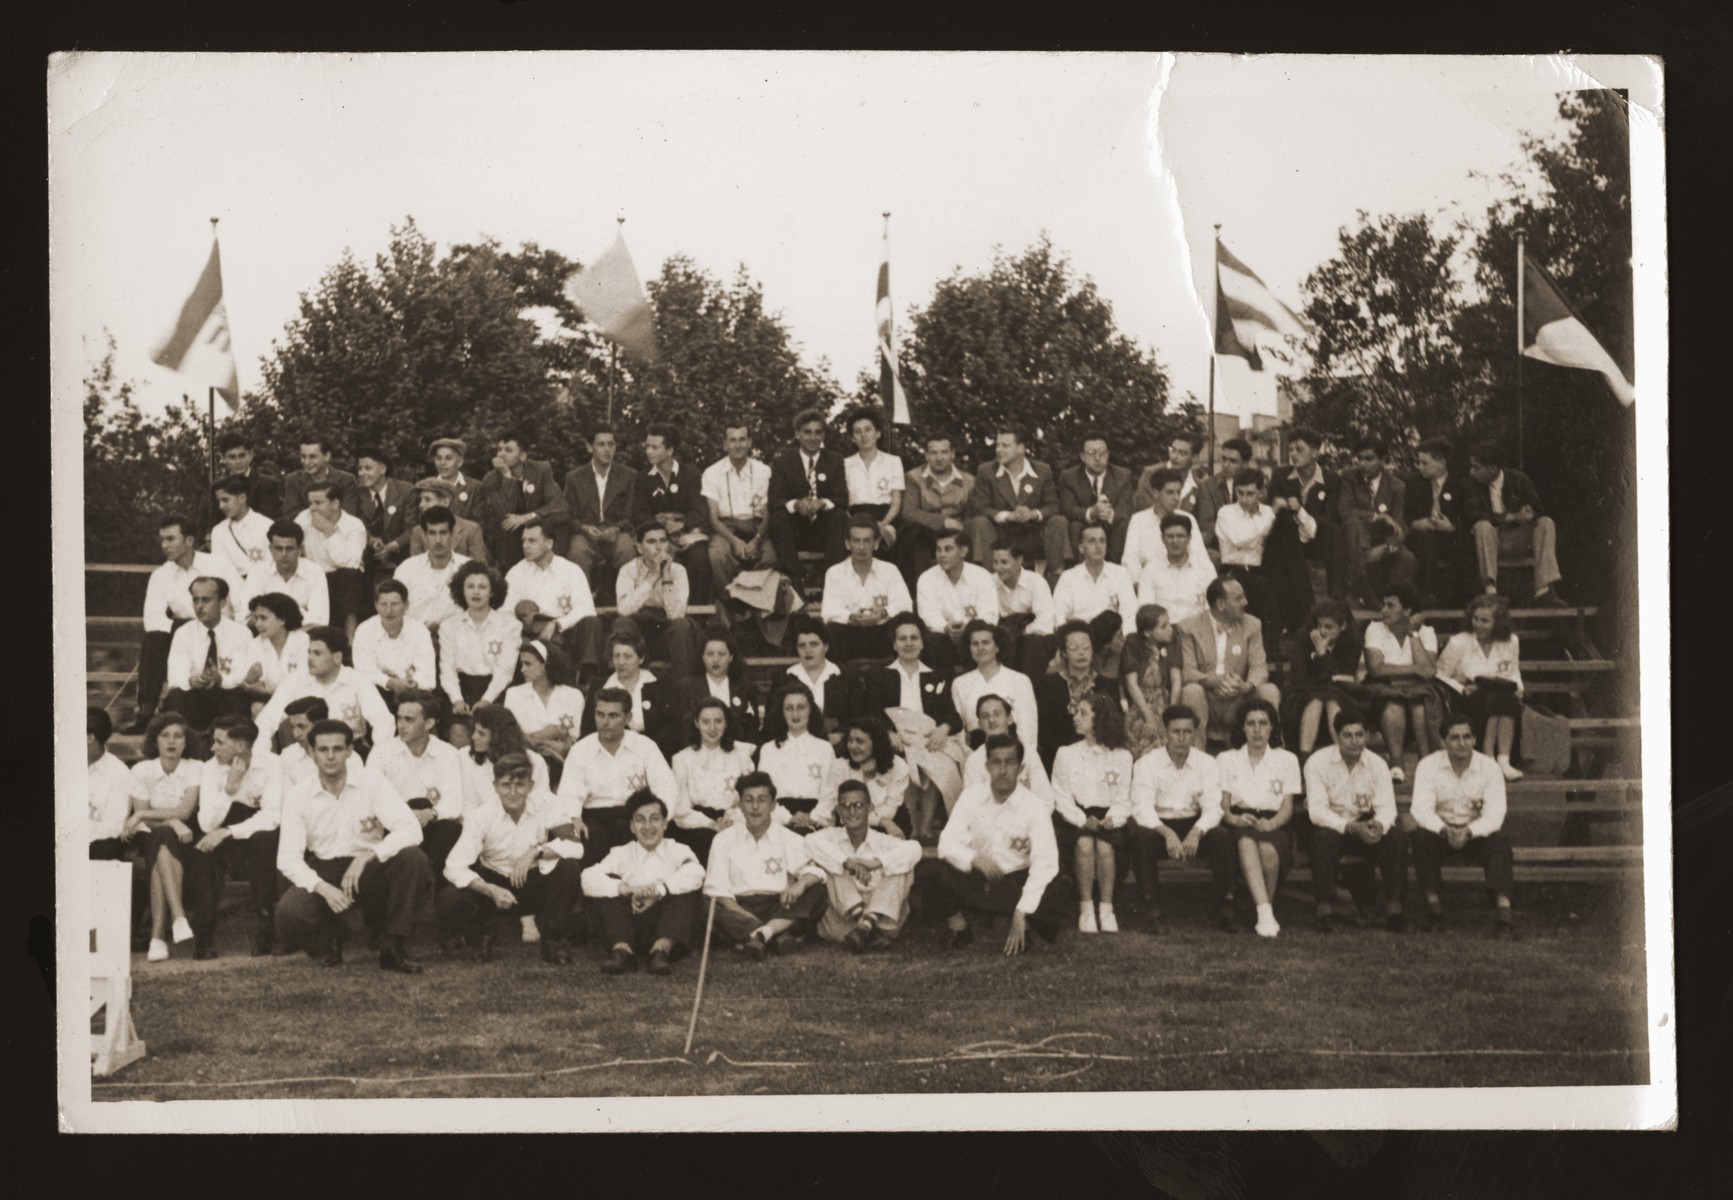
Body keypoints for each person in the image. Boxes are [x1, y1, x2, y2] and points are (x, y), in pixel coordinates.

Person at [274, 719, 433, 972]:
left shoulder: (372, 783)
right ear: (311, 753)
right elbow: (288, 859)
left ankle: (393, 946)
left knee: (413, 858)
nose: (330, 757)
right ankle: (331, 938)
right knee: (289, 912)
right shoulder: (298, 795)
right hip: (325, 869)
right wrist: (324, 888)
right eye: (323, 750)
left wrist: (369, 856)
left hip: (369, 868)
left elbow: (411, 828)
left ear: (350, 751)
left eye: (338, 749)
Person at [439, 751, 586, 963]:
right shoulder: (481, 816)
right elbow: (453, 867)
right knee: (449, 897)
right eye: (506, 785)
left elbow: (575, 846)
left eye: (520, 784)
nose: (514, 792)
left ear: (531, 785)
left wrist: (536, 851)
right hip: (495, 881)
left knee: (569, 869)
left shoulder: (547, 804)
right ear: (495, 786)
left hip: (533, 880)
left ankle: (553, 942)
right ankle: (482, 936)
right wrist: (489, 889)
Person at [935, 733, 1065, 954]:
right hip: (978, 878)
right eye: (996, 762)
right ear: (987, 766)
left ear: (1021, 768)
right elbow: (946, 842)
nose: (1002, 770)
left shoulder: (1034, 806)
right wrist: (974, 859)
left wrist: (1023, 909)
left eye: (1010, 762)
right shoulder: (971, 796)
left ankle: (1023, 924)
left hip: (1015, 881)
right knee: (936, 873)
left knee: (1057, 888)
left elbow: (1046, 862)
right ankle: (960, 928)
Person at [1128, 706, 1235, 934]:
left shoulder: (1207, 763)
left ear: (1195, 733)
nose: (1182, 738)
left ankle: (1224, 907)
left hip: (1193, 824)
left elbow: (1213, 807)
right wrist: (1166, 833)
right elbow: (1142, 807)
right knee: (1141, 838)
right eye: (1176, 731)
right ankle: (1152, 908)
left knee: (1222, 838)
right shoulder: (1147, 764)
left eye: (1187, 732)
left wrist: (1196, 832)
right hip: (1158, 826)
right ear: (1165, 732)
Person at [1407, 715, 1516, 936]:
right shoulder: (1428, 766)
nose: (1462, 743)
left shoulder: (1489, 768)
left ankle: (1504, 914)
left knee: (1500, 841)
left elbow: (1495, 814)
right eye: (1455, 738)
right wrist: (1445, 830)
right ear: (1444, 741)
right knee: (1420, 838)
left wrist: (1469, 831)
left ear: (1475, 739)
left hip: (1476, 831)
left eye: (1467, 737)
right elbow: (1421, 809)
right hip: (1441, 831)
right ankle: (1434, 909)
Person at [184, 716, 282, 958]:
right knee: (203, 851)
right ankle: (204, 935)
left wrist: (228, 832)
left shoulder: (273, 765)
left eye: (219, 742)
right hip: (221, 826)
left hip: (255, 830)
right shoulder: (209, 768)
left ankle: (265, 927)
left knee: (265, 841)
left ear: (240, 746)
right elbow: (207, 822)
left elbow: (272, 816)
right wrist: (229, 788)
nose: (212, 748)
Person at [702, 771, 827, 959]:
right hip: (739, 909)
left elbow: (814, 871)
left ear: (773, 805)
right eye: (748, 800)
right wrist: (748, 919)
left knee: (818, 890)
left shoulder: (787, 837)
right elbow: (717, 891)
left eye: (762, 800)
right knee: (709, 904)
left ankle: (758, 937)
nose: (755, 807)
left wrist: (799, 886)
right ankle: (776, 935)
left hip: (779, 906)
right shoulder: (723, 839)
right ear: (740, 805)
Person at [864, 613, 965, 842]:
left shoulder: (936, 675)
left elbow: (953, 716)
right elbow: (872, 712)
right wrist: (889, 733)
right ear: (894, 644)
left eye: (913, 638)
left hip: (928, 737)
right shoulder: (880, 675)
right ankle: (911, 824)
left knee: (939, 759)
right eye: (902, 638)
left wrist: (943, 728)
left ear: (921, 642)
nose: (908, 643)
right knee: (906, 759)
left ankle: (926, 827)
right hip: (898, 738)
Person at [1305, 708, 1407, 933]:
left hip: (1365, 826)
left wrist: (1378, 825)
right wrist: (1351, 827)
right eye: (1347, 735)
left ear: (1367, 737)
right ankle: (1324, 907)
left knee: (1396, 835)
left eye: (1360, 735)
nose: (1354, 741)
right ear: (1337, 736)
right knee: (1324, 837)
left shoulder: (1378, 764)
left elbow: (1386, 807)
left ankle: (1395, 906)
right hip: (1334, 828)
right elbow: (1317, 811)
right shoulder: (1318, 762)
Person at [582, 789, 705, 974]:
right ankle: (622, 953)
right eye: (640, 820)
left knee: (686, 888)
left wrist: (660, 890)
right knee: (607, 885)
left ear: (665, 824)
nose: (648, 826)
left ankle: (660, 952)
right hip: (629, 928)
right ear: (632, 826)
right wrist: (625, 889)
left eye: (654, 818)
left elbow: (697, 872)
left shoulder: (679, 850)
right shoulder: (621, 853)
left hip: (667, 928)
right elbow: (588, 877)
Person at [131, 514, 235, 733]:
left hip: (220, 628)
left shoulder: (218, 564)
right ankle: (146, 713)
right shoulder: (161, 575)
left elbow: (241, 600)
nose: (165, 545)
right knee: (153, 639)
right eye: (162, 540)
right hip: (181, 631)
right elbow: (153, 618)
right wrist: (185, 630)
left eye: (171, 539)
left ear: (189, 541)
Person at [556, 687, 678, 866]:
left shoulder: (645, 746)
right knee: (583, 841)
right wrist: (574, 817)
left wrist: (656, 819)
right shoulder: (581, 750)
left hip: (634, 816)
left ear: (628, 718)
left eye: (613, 716)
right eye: (600, 714)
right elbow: (568, 793)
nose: (605, 722)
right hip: (595, 820)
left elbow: (666, 787)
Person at [805, 779, 924, 951]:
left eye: (858, 805)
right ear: (838, 810)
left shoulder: (882, 841)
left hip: (883, 921)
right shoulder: (829, 837)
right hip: (843, 924)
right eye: (845, 806)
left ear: (870, 808)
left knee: (900, 865)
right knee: (831, 864)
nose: (851, 811)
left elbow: (915, 848)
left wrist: (875, 863)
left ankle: (867, 925)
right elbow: (809, 841)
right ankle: (866, 926)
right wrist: (848, 863)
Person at [1217, 698, 1301, 938]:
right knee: (1245, 841)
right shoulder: (1227, 759)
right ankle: (1265, 913)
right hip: (1239, 821)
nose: (1257, 730)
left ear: (1272, 727)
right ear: (1242, 727)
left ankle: (1263, 908)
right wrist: (1234, 819)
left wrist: (1272, 823)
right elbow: (1222, 804)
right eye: (1251, 723)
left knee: (1268, 852)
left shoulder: (1287, 760)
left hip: (1275, 822)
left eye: (1263, 723)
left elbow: (1287, 806)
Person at [1051, 692, 1134, 933]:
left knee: (1106, 847)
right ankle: (1086, 908)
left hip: (1109, 817)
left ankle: (1106, 908)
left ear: (1100, 719)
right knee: (1085, 845)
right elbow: (1061, 794)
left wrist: (1113, 818)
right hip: (1076, 816)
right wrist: (1080, 819)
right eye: (1077, 712)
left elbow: (1124, 797)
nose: (1076, 717)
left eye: (1083, 713)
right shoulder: (1066, 753)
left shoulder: (1122, 756)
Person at [124, 712, 203, 962]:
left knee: (163, 843)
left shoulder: (196, 768)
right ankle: (177, 918)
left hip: (187, 838)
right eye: (165, 735)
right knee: (161, 836)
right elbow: (146, 819)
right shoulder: (141, 769)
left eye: (178, 736)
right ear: (154, 740)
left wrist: (146, 815)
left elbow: (185, 811)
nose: (172, 741)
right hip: (153, 836)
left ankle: (158, 937)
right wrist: (170, 820)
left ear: (186, 741)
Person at [368, 690, 467, 881]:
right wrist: (406, 817)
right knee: (417, 804)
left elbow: (454, 803)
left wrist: (429, 814)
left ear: (429, 723)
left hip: (430, 827)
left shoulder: (448, 753)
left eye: (409, 720)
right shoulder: (381, 752)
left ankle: (429, 885)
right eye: (399, 719)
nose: (401, 725)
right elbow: (372, 799)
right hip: (394, 828)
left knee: (448, 827)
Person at [1176, 577, 1282, 748]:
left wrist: (1247, 686)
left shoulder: (1252, 624)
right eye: (1238, 598)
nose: (1245, 602)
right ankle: (1196, 758)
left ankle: (1270, 752)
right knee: (1192, 691)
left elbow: (1259, 667)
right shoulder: (1189, 627)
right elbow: (1188, 672)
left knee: (1269, 690)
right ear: (1220, 604)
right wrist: (1217, 680)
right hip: (1207, 696)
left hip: (1238, 697)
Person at [256, 625, 395, 749]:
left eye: (317, 653)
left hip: (349, 751)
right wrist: (262, 754)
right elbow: (266, 720)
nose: (309, 658)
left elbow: (383, 722)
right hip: (306, 752)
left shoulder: (358, 681)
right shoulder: (295, 681)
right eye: (309, 652)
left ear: (337, 657)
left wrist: (378, 756)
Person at [1436, 593, 1527, 780]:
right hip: (1466, 697)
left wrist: (1519, 691)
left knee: (1507, 699)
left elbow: (1514, 673)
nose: (1478, 624)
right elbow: (1440, 675)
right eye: (1475, 619)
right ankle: (1488, 757)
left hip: (1501, 694)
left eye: (1485, 621)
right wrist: (1462, 688)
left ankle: (1504, 760)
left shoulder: (1511, 641)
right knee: (1494, 700)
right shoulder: (1459, 642)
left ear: (1498, 622)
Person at [1466, 439, 1566, 605]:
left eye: (1476, 467)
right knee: (1482, 525)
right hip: (1492, 541)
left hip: (1519, 539)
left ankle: (1544, 589)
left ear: (1492, 468)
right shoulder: (1471, 484)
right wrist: (1512, 516)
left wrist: (1529, 513)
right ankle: (1490, 590)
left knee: (1546, 523)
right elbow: (1474, 514)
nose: (1471, 472)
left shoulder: (1519, 479)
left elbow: (1538, 509)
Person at [503, 517, 603, 681]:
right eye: (523, 541)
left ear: (549, 544)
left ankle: (588, 681)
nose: (525, 546)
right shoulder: (516, 573)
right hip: (531, 634)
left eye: (532, 540)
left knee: (592, 623)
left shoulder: (570, 570)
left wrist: (557, 624)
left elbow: (587, 608)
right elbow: (505, 612)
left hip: (563, 634)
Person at [668, 696, 766, 863]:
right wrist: (711, 824)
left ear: (726, 723)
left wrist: (732, 818)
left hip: (735, 819)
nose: (712, 728)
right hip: (698, 826)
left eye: (718, 721)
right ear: (696, 723)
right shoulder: (682, 759)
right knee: (707, 842)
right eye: (705, 722)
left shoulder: (742, 753)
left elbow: (750, 797)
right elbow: (680, 809)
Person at [1361, 583, 1442, 784]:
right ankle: (1397, 764)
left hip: (1417, 690)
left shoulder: (1426, 631)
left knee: (1421, 706)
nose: (1383, 611)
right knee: (1393, 707)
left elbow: (1429, 670)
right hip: (1383, 688)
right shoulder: (1374, 628)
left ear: (1407, 610)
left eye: (1391, 605)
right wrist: (1414, 669)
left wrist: (1413, 634)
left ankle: (1426, 763)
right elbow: (1376, 668)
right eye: (1383, 605)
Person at [965, 424, 1070, 579]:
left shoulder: (1042, 470)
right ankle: (989, 582)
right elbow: (979, 507)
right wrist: (1007, 516)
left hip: (1033, 534)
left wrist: (1033, 514)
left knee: (1059, 521)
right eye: (997, 445)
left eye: (1005, 445)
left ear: (1021, 448)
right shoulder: (986, 471)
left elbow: (1053, 506)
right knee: (979, 522)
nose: (999, 450)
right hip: (1000, 535)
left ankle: (1057, 579)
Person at [766, 407, 849, 591]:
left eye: (818, 432)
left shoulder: (835, 460)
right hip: (795, 532)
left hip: (823, 530)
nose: (813, 438)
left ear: (823, 435)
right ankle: (795, 584)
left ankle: (833, 584)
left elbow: (842, 498)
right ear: (797, 434)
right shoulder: (783, 462)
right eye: (807, 432)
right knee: (778, 518)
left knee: (838, 516)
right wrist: (795, 504)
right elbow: (775, 500)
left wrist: (822, 503)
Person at [632, 424, 713, 604]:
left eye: (655, 447)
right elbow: (639, 513)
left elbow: (700, 511)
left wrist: (681, 524)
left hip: (687, 536)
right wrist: (660, 529)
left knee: (699, 560)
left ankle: (695, 612)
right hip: (657, 537)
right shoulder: (643, 478)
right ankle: (663, 608)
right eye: (647, 446)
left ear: (669, 450)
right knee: (661, 564)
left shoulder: (691, 475)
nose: (648, 451)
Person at [159, 575, 252, 731]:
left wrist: (221, 679)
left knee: (238, 696)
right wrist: (191, 680)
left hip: (225, 695)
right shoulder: (183, 633)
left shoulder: (241, 633)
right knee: (175, 697)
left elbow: (243, 674)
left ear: (222, 603)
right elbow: (175, 674)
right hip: (194, 696)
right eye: (195, 600)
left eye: (205, 600)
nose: (199, 606)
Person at [612, 523, 701, 678]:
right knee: (622, 623)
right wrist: (653, 577)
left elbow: (675, 614)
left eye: (663, 541)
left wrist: (666, 577)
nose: (659, 547)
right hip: (638, 633)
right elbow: (624, 609)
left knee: (681, 626)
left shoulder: (678, 571)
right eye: (651, 542)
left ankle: (683, 688)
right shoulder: (628, 570)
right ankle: (629, 685)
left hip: (665, 631)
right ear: (639, 548)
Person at [1282, 598, 1369, 757]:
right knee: (1319, 698)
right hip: (1302, 696)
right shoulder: (1303, 639)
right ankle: (1304, 758)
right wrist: (1327, 678)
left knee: (1330, 698)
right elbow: (1300, 678)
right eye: (1319, 625)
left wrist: (1322, 654)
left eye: (1329, 627)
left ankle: (1345, 755)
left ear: (1342, 626)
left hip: (1342, 697)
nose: (1322, 631)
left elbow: (1345, 679)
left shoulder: (1351, 642)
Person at [821, 513, 913, 662]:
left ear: (876, 543)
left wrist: (883, 613)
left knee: (901, 626)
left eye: (867, 541)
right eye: (856, 541)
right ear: (847, 544)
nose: (861, 547)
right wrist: (852, 617)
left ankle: (896, 678)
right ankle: (839, 680)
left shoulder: (890, 570)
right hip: (850, 633)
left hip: (881, 633)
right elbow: (829, 612)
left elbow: (905, 605)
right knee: (833, 631)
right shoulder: (835, 572)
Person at [563, 424, 641, 595]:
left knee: (627, 549)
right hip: (586, 533)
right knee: (577, 552)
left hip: (617, 533)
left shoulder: (628, 476)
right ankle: (583, 603)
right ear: (589, 447)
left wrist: (618, 528)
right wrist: (583, 528)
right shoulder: (574, 478)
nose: (607, 449)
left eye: (611, 444)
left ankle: (627, 602)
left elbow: (631, 512)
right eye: (601, 444)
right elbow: (568, 514)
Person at [1267, 427, 1342, 602]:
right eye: (1291, 449)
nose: (1293, 454)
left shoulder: (1331, 479)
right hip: (1288, 538)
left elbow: (1330, 516)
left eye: (1299, 449)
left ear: (1315, 451)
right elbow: (1270, 512)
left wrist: (1301, 513)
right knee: (1284, 520)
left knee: (1333, 528)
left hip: (1317, 538)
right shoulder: (1280, 475)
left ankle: (1336, 592)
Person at [662, 627, 762, 760]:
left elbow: (752, 732)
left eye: (721, 654)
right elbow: (680, 733)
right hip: (697, 758)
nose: (715, 660)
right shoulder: (685, 688)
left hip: (735, 757)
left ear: (731, 656)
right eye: (710, 654)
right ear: (702, 657)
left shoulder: (745, 688)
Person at [951, 619, 1040, 766]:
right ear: (969, 649)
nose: (981, 648)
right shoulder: (960, 683)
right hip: (974, 757)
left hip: (1013, 756)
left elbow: (1028, 731)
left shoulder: (1020, 680)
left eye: (986, 642)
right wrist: (972, 761)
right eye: (975, 644)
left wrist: (1021, 762)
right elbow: (959, 733)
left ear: (997, 646)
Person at [477, 429, 568, 574]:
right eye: (499, 449)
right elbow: (504, 512)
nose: (501, 454)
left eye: (508, 450)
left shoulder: (541, 470)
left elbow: (558, 504)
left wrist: (527, 517)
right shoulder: (491, 478)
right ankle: (512, 577)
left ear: (523, 455)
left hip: (537, 522)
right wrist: (507, 476)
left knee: (559, 522)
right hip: (509, 531)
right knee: (505, 526)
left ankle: (554, 574)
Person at [702, 422, 776, 595]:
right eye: (732, 440)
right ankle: (730, 603)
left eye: (742, 439)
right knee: (717, 556)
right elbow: (713, 517)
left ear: (750, 442)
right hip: (725, 528)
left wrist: (757, 540)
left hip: (757, 527)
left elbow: (767, 513)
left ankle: (757, 607)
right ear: (725, 444)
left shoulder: (763, 471)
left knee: (770, 558)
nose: (737, 445)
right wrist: (734, 541)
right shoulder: (711, 473)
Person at [1035, 619, 1120, 771]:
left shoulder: (1108, 686)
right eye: (1073, 648)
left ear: (1093, 649)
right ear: (1063, 653)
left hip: (1099, 760)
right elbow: (1043, 732)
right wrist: (1069, 753)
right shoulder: (1046, 685)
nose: (1081, 652)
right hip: (1058, 760)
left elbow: (1113, 727)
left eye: (1085, 647)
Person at [438, 561, 521, 714]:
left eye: (482, 587)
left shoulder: (510, 625)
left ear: (492, 591)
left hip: (497, 692)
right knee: (458, 732)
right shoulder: (448, 626)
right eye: (470, 586)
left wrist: (486, 700)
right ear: (461, 590)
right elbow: (447, 668)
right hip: (460, 691)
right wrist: (457, 699)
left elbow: (505, 671)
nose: (475, 592)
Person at [754, 680, 837, 831]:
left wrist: (813, 818)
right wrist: (788, 818)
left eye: (801, 707)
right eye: (789, 708)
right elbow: (764, 793)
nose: (795, 714)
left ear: (810, 709)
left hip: (816, 819)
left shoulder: (825, 748)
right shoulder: (768, 749)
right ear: (782, 711)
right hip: (780, 820)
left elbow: (830, 793)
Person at [1337, 437, 1408, 607]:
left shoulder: (1396, 486)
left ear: (1382, 460)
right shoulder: (1350, 478)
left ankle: (1393, 604)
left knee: (1408, 559)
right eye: (1360, 458)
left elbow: (1398, 524)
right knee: (1354, 524)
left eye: (1369, 459)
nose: (1362, 463)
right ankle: (1367, 593)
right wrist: (1377, 516)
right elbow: (1344, 510)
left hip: (1380, 541)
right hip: (1353, 537)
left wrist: (1385, 547)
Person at [897, 431, 972, 589]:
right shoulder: (914, 478)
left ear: (952, 454)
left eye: (944, 452)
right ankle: (921, 590)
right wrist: (943, 521)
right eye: (934, 453)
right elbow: (909, 512)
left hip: (958, 533)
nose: (939, 458)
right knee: (913, 532)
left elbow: (972, 513)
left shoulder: (968, 481)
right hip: (927, 534)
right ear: (926, 455)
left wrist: (960, 527)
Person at [1215, 468, 1280, 648]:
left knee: (1266, 587)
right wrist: (1271, 518)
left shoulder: (1266, 511)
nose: (1243, 499)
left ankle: (1271, 648)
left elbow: (1251, 540)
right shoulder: (1226, 512)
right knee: (1246, 589)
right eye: (1240, 493)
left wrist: (1262, 527)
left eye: (1250, 494)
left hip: (1259, 570)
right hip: (1232, 569)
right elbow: (1239, 538)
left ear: (1261, 492)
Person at [813, 715, 911, 834]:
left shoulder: (899, 767)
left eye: (859, 741)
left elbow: (889, 810)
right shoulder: (840, 766)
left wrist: (882, 822)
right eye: (850, 740)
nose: (853, 746)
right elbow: (833, 804)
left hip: (890, 823)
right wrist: (881, 821)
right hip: (855, 823)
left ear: (876, 743)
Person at [1051, 520, 1139, 651]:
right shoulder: (1069, 577)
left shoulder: (1120, 573)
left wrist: (1124, 640)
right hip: (1080, 642)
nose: (1098, 546)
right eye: (1092, 541)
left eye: (1102, 541)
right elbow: (1059, 614)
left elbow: (1129, 613)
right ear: (1081, 547)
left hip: (1112, 642)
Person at [1403, 437, 1471, 606]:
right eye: (1419, 463)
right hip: (1421, 536)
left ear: (1441, 463)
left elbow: (1467, 516)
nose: (1420, 467)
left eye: (1425, 463)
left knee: (1462, 543)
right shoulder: (1413, 483)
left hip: (1448, 536)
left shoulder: (1459, 485)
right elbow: (1406, 514)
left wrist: (1452, 527)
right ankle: (1426, 594)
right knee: (1427, 540)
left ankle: (1458, 599)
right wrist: (1416, 523)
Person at [296, 480, 369, 638]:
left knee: (350, 576)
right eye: (310, 503)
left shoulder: (354, 525)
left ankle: (350, 640)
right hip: (314, 578)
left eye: (318, 503)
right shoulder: (304, 518)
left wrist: (328, 530)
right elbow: (293, 543)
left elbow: (350, 562)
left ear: (335, 503)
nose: (312, 508)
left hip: (341, 582)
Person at [961, 693, 1054, 810]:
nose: (991, 720)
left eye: (997, 714)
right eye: (985, 716)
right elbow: (972, 805)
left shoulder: (1028, 753)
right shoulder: (974, 760)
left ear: (1009, 719)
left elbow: (1046, 800)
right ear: (979, 724)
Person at [350, 579, 436, 705]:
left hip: (412, 691)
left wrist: (413, 682)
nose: (389, 611)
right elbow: (363, 672)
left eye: (395, 604)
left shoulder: (419, 630)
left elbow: (427, 675)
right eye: (383, 604)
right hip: (378, 691)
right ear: (376, 605)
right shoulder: (364, 630)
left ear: (406, 605)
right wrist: (390, 682)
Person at [503, 640, 585, 769]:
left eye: (528, 664)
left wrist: (534, 739)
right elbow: (513, 736)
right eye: (522, 664)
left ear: (545, 665)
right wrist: (552, 733)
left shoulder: (573, 696)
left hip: (563, 764)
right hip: (526, 763)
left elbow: (570, 741)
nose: (522, 669)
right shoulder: (513, 694)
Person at [236, 520, 330, 627]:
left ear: (300, 550)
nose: (283, 554)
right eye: (278, 548)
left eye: (289, 549)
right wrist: (299, 614)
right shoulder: (259, 570)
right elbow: (243, 615)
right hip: (264, 636)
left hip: (302, 637)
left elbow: (319, 621)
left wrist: (266, 616)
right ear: (271, 549)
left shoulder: (314, 572)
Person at [580, 630, 671, 741]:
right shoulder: (599, 687)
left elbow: (669, 733)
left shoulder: (660, 685)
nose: (621, 662)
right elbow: (588, 731)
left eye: (627, 657)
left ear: (641, 658)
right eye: (616, 656)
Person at [1059, 433, 1135, 564]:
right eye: (1091, 453)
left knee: (1123, 524)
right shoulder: (1068, 477)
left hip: (1111, 526)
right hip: (1084, 525)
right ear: (1082, 457)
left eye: (1102, 452)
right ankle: (1080, 572)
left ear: (1108, 454)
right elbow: (1069, 508)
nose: (1097, 458)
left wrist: (1109, 513)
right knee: (1075, 526)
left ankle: (1115, 571)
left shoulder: (1123, 475)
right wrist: (1092, 513)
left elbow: (1126, 508)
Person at [393, 505, 472, 629]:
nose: (438, 540)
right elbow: (395, 612)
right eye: (432, 533)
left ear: (452, 534)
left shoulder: (468, 568)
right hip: (416, 640)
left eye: (443, 533)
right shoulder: (406, 569)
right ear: (424, 536)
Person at [1133, 512, 1217, 628]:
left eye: (1180, 536)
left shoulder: (1205, 568)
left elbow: (1212, 608)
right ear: (1163, 539)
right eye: (1170, 536)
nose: (1175, 541)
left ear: (1189, 538)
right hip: (1164, 633)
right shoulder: (1150, 570)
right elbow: (1146, 610)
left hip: (1197, 632)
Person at [841, 405, 904, 557]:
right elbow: (843, 503)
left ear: (878, 433)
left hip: (885, 517)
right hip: (855, 517)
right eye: (857, 432)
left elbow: (896, 502)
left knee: (885, 542)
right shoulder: (844, 464)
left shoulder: (893, 461)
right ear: (852, 438)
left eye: (868, 429)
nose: (863, 435)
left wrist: (883, 524)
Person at [1121, 603, 1181, 758]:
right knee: (1145, 730)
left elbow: (1176, 680)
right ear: (1148, 632)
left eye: (1169, 623)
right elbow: (1131, 684)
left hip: (1163, 700)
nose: (1170, 629)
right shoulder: (1132, 644)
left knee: (1170, 732)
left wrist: (1172, 713)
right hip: (1140, 702)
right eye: (1163, 626)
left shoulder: (1172, 641)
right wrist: (1148, 715)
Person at [1131, 432, 1214, 542]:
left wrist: (1188, 545)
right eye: (1173, 450)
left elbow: (1206, 528)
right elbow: (1145, 509)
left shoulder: (1199, 486)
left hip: (1185, 547)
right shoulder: (1150, 474)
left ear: (1194, 457)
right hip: (1151, 540)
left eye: (1182, 453)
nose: (1175, 456)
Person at [991, 542, 1059, 677]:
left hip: (1035, 638)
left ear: (1019, 561)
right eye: (995, 562)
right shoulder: (990, 582)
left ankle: (1028, 692)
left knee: (1030, 644)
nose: (998, 568)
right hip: (1005, 637)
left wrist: (1017, 635)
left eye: (1004, 562)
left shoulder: (1035, 582)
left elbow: (1045, 624)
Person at [784, 616, 858, 738]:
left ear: (826, 647)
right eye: (802, 646)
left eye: (814, 644)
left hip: (836, 745)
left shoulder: (845, 677)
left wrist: (841, 735)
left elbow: (856, 719)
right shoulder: (785, 678)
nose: (808, 650)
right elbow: (773, 724)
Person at [238, 592, 310, 710]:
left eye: (263, 618)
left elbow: (303, 684)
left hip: (299, 702)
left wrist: (267, 690)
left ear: (282, 619)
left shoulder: (302, 640)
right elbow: (254, 686)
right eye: (256, 618)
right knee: (257, 707)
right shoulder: (254, 645)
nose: (257, 624)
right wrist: (250, 680)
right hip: (269, 702)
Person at [352, 447, 416, 575]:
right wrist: (373, 541)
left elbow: (411, 528)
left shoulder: (405, 490)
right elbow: (359, 525)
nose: (362, 473)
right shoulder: (358, 493)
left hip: (399, 548)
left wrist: (391, 547)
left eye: (368, 468)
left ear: (382, 469)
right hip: (371, 550)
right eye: (360, 468)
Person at [209, 474, 276, 590]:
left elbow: (272, 566)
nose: (221, 506)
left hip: (266, 590)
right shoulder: (219, 532)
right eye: (218, 501)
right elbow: (222, 570)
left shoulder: (267, 526)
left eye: (225, 500)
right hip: (234, 592)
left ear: (242, 498)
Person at [87, 708, 136, 860]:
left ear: (90, 737)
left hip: (97, 844)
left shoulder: (118, 772)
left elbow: (114, 826)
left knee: (106, 848)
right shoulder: (62, 765)